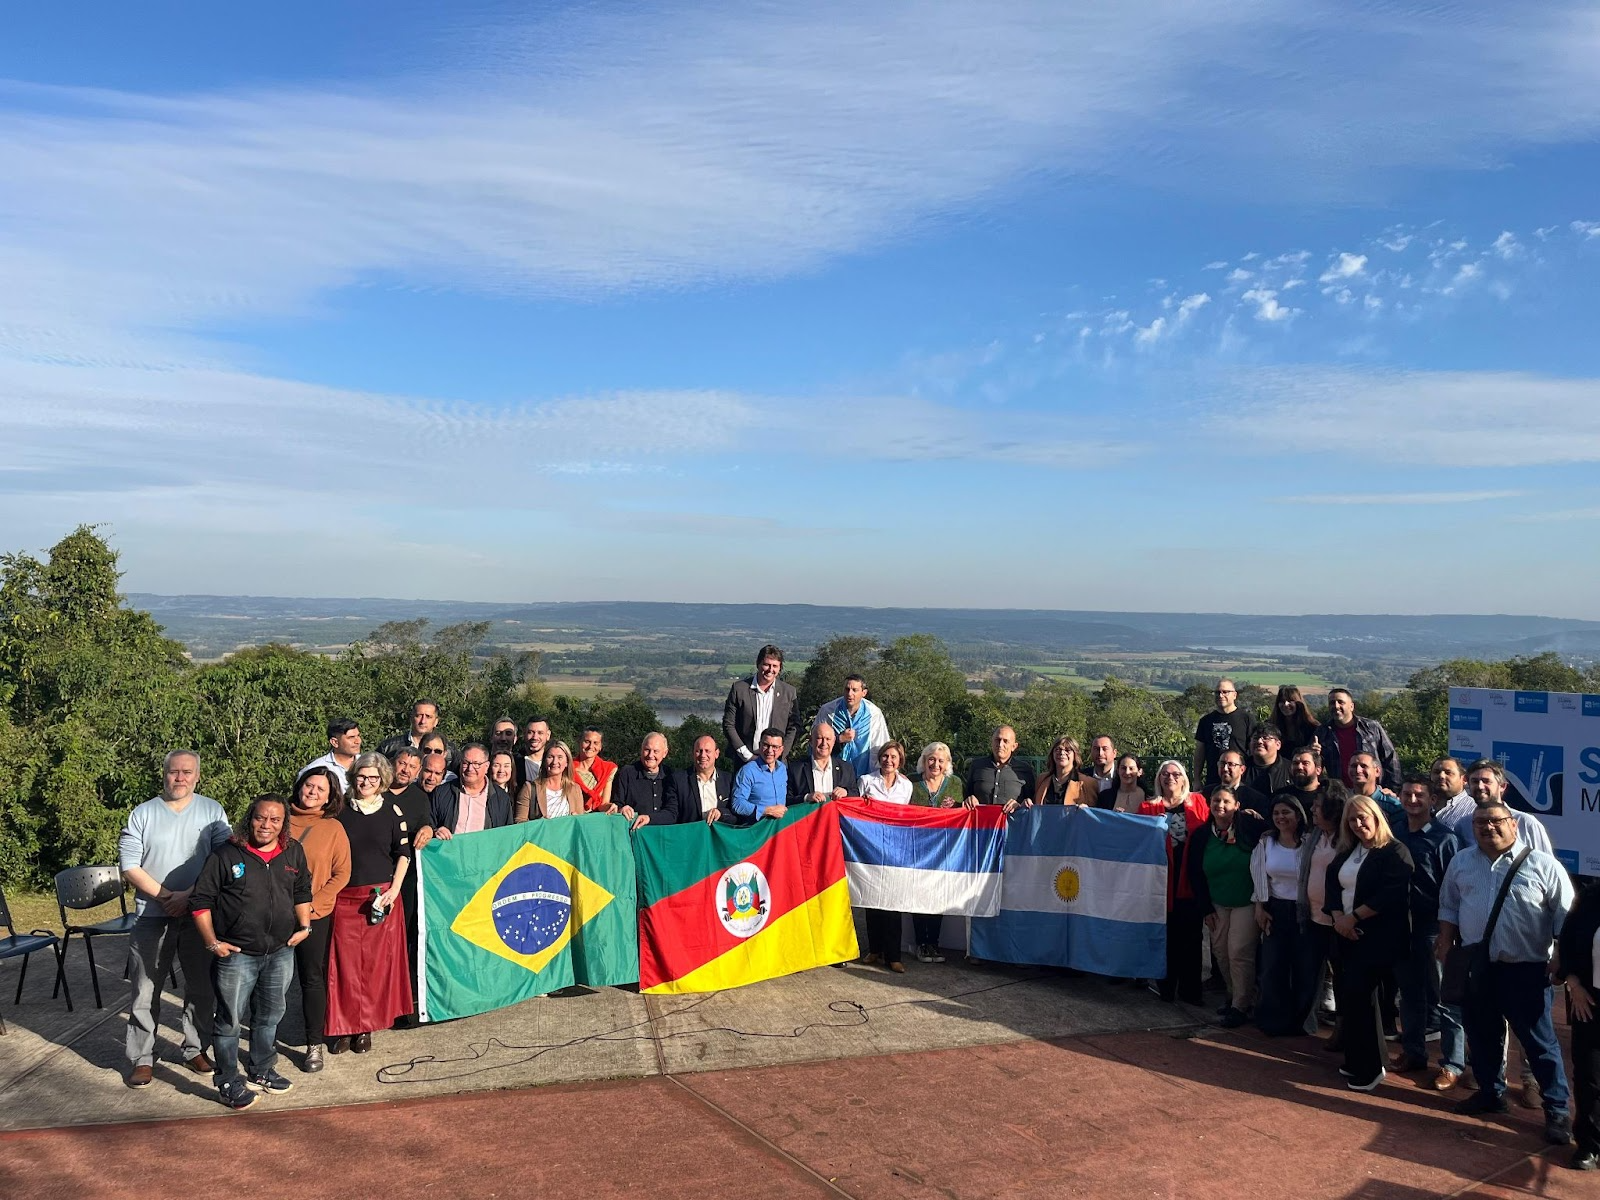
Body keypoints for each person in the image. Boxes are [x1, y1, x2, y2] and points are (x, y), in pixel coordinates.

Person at [1437, 801, 1574, 1144]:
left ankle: (1557, 1110)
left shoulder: (1543, 864)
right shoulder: (1462, 861)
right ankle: (1490, 1094)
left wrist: (1561, 958)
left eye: (1496, 821)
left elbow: (1565, 916)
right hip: (1477, 967)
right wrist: (1445, 944)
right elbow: (1449, 905)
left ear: (1513, 824)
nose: (1488, 827)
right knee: (1483, 1036)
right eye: (1480, 822)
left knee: (1539, 1043)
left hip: (1527, 970)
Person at [190, 796, 313, 1110]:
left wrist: (304, 926)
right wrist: (212, 942)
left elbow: (301, 890)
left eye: (275, 820)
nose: (266, 825)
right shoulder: (226, 854)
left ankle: (261, 1069)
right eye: (260, 818)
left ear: (283, 824)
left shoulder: (293, 851)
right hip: (237, 954)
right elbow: (201, 901)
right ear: (250, 819)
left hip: (281, 951)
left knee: (270, 1016)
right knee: (229, 1020)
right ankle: (228, 1080)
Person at [118, 750, 231, 1089]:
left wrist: (190, 897)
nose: (180, 778)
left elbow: (222, 861)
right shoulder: (143, 813)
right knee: (145, 989)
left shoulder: (213, 811)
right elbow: (129, 866)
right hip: (152, 914)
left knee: (201, 987)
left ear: (197, 776)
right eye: (174, 771)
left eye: (187, 772)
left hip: (199, 915)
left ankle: (196, 1048)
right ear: (164, 774)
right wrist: (167, 897)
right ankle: (142, 1058)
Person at [1324, 794, 1414, 1092]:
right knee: (1350, 999)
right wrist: (1339, 919)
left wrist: (1354, 918)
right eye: (1352, 819)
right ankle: (1355, 1059)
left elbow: (1391, 893)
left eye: (1363, 817)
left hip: (1377, 938)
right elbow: (1332, 886)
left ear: (1376, 818)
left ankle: (1372, 1068)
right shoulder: (1348, 851)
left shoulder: (1395, 851)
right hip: (1346, 936)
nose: (1358, 824)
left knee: (1365, 1000)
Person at [327, 753, 412, 1055]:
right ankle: (343, 1027)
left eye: (373, 778)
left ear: (382, 780)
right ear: (353, 777)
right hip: (343, 898)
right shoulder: (338, 810)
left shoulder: (393, 811)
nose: (366, 782)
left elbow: (403, 854)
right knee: (344, 968)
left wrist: (394, 890)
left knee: (374, 969)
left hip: (380, 898)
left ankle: (365, 1028)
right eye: (362, 776)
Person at [1390, 774, 1463, 1090]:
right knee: (1409, 994)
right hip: (1400, 926)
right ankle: (1414, 1052)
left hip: (1433, 927)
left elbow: (1453, 888)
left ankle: (1452, 1064)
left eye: (1419, 795)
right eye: (1407, 794)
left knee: (1443, 997)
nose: (1412, 800)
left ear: (1432, 800)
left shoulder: (1445, 839)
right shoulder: (1394, 831)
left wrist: (1449, 933)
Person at [286, 769, 351, 1074]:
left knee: (311, 978)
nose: (312, 792)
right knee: (265, 979)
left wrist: (313, 905)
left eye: (320, 789)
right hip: (273, 913)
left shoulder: (332, 828)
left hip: (314, 914)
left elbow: (342, 873)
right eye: (309, 785)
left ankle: (313, 1044)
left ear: (329, 797)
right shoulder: (278, 818)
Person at [1140, 762, 1210, 1005]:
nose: (1170, 777)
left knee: (1192, 938)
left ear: (1184, 779)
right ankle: (1166, 988)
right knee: (1165, 936)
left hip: (1190, 880)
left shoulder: (1199, 802)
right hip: (1161, 883)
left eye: (1176, 774)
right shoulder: (1147, 807)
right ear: (1159, 778)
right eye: (1165, 774)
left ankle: (1191, 991)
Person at [1191, 786, 1260, 1027]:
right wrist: (1205, 908)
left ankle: (1241, 1005)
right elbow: (1195, 874)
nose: (1220, 805)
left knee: (1239, 952)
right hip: (1217, 903)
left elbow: (1274, 832)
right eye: (1216, 801)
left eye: (1226, 801)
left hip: (1247, 901)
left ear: (1237, 805)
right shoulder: (1202, 835)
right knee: (1221, 952)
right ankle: (1233, 995)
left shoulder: (1250, 828)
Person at [1251, 796, 1318, 1036]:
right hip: (1275, 909)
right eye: (1276, 813)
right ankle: (1272, 1020)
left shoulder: (1311, 842)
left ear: (1298, 815)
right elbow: (1259, 876)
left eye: (1286, 812)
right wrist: (1260, 907)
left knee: (1305, 967)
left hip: (1306, 911)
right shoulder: (1266, 842)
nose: (1281, 817)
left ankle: (1301, 1022)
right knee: (1272, 966)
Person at [383, 747, 433, 1027]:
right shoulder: (376, 791)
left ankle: (404, 1002)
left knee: (406, 938)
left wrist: (428, 828)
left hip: (409, 878)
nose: (406, 770)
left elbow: (426, 823)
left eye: (413, 767)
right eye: (402, 763)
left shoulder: (419, 797)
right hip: (378, 874)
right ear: (392, 764)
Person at [1556, 878, 1600, 1170]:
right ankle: (1589, 1144)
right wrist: (1574, 984)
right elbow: (1568, 941)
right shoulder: (1589, 898)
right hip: (1590, 1001)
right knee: (1589, 1073)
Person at [858, 742, 913, 973]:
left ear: (900, 761)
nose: (888, 760)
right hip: (870, 848)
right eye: (885, 756)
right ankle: (875, 950)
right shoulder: (866, 781)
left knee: (892, 902)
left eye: (893, 757)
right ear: (879, 758)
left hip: (895, 850)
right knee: (872, 901)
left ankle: (893, 956)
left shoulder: (906, 786)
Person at [1301, 785, 1348, 1034]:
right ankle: (1305, 1022)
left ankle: (1342, 1028)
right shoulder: (1315, 835)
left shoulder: (1348, 840)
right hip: (1313, 917)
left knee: (1341, 976)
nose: (1312, 810)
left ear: (1332, 809)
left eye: (1317, 806)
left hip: (1340, 921)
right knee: (1310, 973)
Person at [910, 741, 962, 962]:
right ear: (924, 760)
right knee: (919, 896)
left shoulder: (955, 783)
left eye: (941, 760)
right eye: (931, 759)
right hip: (917, 849)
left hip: (943, 850)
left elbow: (961, 812)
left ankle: (934, 943)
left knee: (938, 896)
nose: (936, 764)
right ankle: (921, 943)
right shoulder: (911, 782)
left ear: (947, 763)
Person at [1450, 758, 1555, 856]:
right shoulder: (1463, 825)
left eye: (1486, 781)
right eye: (1475, 781)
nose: (1480, 786)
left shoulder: (1526, 823)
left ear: (1502, 786)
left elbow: (1547, 865)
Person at [722, 644, 802, 764]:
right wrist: (746, 755)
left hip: (777, 762)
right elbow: (728, 724)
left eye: (775, 666)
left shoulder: (788, 693)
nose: (770, 669)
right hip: (744, 760)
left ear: (780, 668)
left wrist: (780, 753)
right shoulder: (740, 689)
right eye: (766, 664)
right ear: (758, 664)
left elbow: (794, 727)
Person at [1315, 688, 1401, 791]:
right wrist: (1315, 754)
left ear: (1351, 706)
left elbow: (1390, 758)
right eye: (1332, 703)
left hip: (1373, 792)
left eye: (1341, 702)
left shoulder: (1371, 727)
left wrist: (1393, 789)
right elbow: (1315, 766)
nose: (1336, 706)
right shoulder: (1322, 732)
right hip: (1341, 792)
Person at [815, 674, 892, 780]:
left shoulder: (874, 714)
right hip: (833, 775)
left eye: (854, 690)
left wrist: (890, 773)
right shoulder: (828, 711)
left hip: (864, 776)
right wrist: (839, 739)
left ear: (864, 693)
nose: (850, 694)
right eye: (847, 689)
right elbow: (814, 742)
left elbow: (882, 746)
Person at [430, 744, 514, 838]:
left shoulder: (501, 799)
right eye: (466, 763)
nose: (470, 769)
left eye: (476, 764)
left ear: (487, 766)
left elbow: (507, 835)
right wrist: (435, 831)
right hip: (449, 847)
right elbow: (429, 824)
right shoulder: (442, 793)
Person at [1194, 679, 1255, 792]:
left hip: (1240, 781)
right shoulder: (1206, 721)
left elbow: (1253, 750)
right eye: (1217, 692)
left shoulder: (1247, 719)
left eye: (1225, 692)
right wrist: (1197, 779)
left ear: (1235, 695)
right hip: (1213, 780)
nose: (1221, 695)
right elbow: (1200, 753)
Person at [611, 733, 678, 830]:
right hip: (633, 833)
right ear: (641, 750)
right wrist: (622, 809)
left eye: (656, 751)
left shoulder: (671, 776)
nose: (650, 755)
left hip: (663, 834)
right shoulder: (626, 773)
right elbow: (616, 804)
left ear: (665, 753)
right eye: (647, 750)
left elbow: (673, 812)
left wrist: (649, 819)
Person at [964, 726, 1036, 814]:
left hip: (1012, 821)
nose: (1000, 744)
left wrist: (1020, 805)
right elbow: (966, 796)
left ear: (1014, 746)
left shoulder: (1025, 770)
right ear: (992, 742)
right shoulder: (977, 766)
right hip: (981, 821)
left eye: (1005, 741)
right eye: (997, 740)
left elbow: (1032, 803)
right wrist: (969, 799)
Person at [669, 734, 734, 824]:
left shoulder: (729, 780)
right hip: (691, 832)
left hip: (719, 832)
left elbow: (736, 814)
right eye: (699, 751)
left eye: (707, 751)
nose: (703, 755)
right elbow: (672, 814)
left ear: (716, 753)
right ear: (693, 754)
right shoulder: (679, 780)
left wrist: (721, 813)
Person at [788, 722, 859, 805]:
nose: (824, 743)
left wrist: (846, 792)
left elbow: (856, 795)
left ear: (834, 741)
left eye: (828, 739)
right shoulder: (796, 769)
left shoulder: (846, 768)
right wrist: (806, 797)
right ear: (811, 741)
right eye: (819, 738)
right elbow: (787, 800)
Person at [731, 728, 789, 823]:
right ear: (759, 745)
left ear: (781, 749)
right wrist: (766, 811)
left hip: (780, 827)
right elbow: (737, 804)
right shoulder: (747, 771)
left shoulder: (782, 769)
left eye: (775, 747)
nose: (770, 750)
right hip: (757, 828)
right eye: (766, 745)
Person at [377, 700, 453, 769]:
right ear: (411, 718)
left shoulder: (450, 751)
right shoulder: (388, 748)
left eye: (428, 717)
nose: (423, 721)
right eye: (419, 715)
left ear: (436, 721)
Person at [300, 719, 363, 795]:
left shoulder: (369, 764)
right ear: (335, 742)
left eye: (358, 736)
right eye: (351, 737)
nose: (358, 741)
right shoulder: (315, 769)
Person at [528, 742, 585, 819]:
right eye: (550, 757)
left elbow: (581, 819)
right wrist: (539, 823)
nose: (554, 762)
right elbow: (520, 822)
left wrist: (576, 818)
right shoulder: (529, 788)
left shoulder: (575, 789)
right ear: (544, 761)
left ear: (567, 762)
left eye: (560, 757)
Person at [1216, 750, 1272, 829]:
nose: (1225, 769)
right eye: (1222, 764)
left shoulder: (1256, 799)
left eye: (1231, 764)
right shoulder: (1206, 793)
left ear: (1242, 769)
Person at [1035, 736, 1093, 806]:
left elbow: (1095, 811)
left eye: (1067, 750)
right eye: (1058, 749)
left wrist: (1086, 809)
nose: (1062, 753)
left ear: (1075, 755)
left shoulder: (1087, 783)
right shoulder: (1041, 779)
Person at [572, 727, 618, 813]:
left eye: (595, 743)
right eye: (587, 742)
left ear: (600, 746)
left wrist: (610, 806)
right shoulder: (567, 769)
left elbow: (603, 804)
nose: (591, 746)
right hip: (573, 815)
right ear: (579, 742)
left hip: (595, 817)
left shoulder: (607, 770)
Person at [1348, 752, 1403, 822]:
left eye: (1363, 766)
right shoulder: (1343, 802)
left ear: (1377, 771)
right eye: (1354, 766)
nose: (1358, 770)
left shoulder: (1392, 806)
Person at [1274, 748, 1324, 816]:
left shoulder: (1327, 795)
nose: (1299, 767)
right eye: (1295, 763)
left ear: (1318, 770)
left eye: (1305, 763)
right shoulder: (1280, 796)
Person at [1272, 685, 1321, 755]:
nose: (1286, 704)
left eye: (1290, 700)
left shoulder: (1313, 727)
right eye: (1282, 701)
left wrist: (1316, 751)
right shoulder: (1271, 726)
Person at [1431, 756, 1475, 831]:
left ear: (1464, 779)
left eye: (1448, 773)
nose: (1441, 776)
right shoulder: (1420, 805)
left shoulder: (1474, 810)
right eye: (1436, 772)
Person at [1245, 727, 1291, 796]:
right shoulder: (1240, 768)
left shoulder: (1291, 769)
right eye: (1255, 738)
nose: (1259, 741)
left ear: (1278, 745)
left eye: (1265, 738)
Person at [1082, 735, 1118, 804]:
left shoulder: (1123, 777)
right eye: (1096, 749)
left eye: (1105, 749)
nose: (1100, 753)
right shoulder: (1082, 777)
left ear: (1114, 753)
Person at [522, 716, 552, 784]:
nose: (535, 737)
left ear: (548, 735)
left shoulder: (555, 764)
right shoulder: (514, 763)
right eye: (530, 732)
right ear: (524, 734)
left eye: (540, 733)